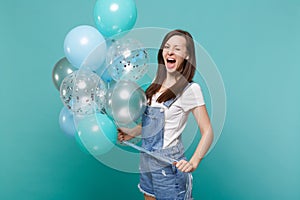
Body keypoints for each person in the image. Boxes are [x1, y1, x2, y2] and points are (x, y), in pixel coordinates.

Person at [118, 29, 214, 200]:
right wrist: (130, 132)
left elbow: (207, 131)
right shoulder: (155, 86)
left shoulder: (191, 90)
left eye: (177, 48)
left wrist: (193, 162)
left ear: (187, 56)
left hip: (168, 165)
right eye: (167, 47)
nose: (170, 51)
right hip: (146, 160)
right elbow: (150, 126)